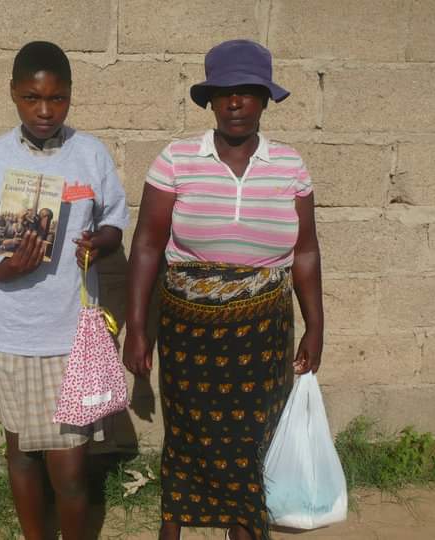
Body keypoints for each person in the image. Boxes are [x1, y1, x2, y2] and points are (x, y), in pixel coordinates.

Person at [123, 40, 324, 540]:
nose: (236, 102)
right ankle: (174, 528)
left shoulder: (289, 165)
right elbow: (146, 245)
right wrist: (137, 329)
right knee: (187, 437)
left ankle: (244, 529)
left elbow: (305, 252)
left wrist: (316, 325)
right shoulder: (176, 160)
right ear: (211, 100)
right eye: (225, 92)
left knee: (254, 440)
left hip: (263, 334)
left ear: (265, 99)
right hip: (190, 335)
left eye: (248, 91)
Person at [0, 41, 128, 540]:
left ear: (70, 95)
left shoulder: (90, 154)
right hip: (10, 333)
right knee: (22, 453)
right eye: (32, 98)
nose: (45, 111)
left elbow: (114, 224)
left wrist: (100, 243)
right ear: (13, 93)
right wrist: (0, 270)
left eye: (57, 98)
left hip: (70, 335)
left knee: (69, 468)